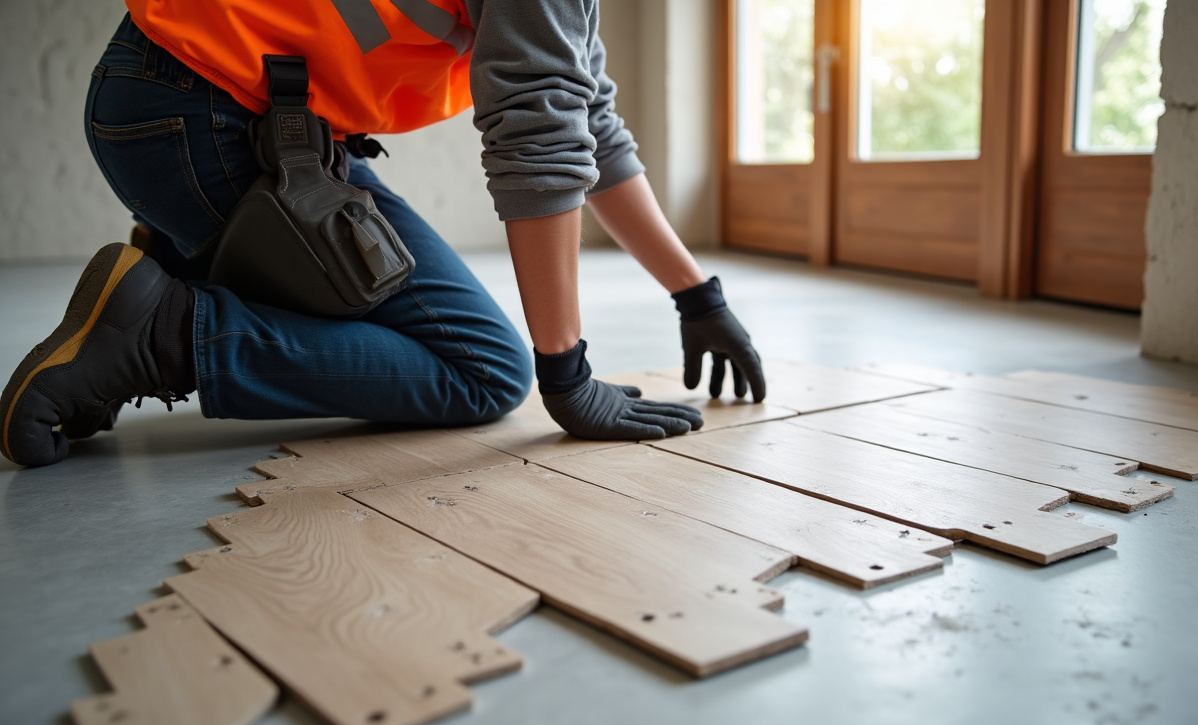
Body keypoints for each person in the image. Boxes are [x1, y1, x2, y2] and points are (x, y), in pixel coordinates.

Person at [0, 1, 766, 468]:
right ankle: (163, 332)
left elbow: (590, 120)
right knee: (483, 371)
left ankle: (176, 258)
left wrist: (697, 296)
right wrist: (566, 378)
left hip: (171, 94)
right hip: (214, 120)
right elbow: (541, 134)